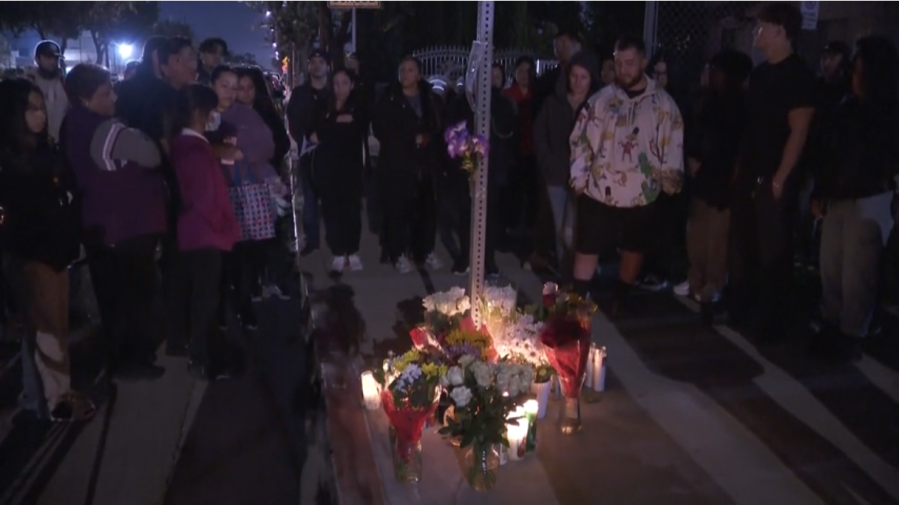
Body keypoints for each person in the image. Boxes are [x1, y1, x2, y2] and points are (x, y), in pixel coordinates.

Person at [63, 63, 167, 380]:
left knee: (115, 295)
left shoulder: (73, 124)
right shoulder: (106, 130)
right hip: (124, 224)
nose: (114, 99)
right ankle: (133, 358)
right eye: (105, 93)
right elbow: (151, 155)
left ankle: (122, 354)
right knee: (133, 295)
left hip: (105, 222)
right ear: (85, 98)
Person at [568, 36, 684, 313]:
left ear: (643, 62)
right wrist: (579, 180)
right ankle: (578, 299)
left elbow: (673, 143)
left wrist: (668, 183)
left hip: (642, 192)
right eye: (619, 63)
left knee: (634, 246)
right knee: (587, 245)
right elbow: (580, 141)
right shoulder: (600, 101)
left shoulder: (663, 105)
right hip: (599, 188)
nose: (623, 69)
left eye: (630, 63)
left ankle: (621, 296)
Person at [0, 78, 92, 421]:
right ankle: (58, 402)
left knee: (48, 327)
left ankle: (37, 396)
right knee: (47, 329)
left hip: (56, 250)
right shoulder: (9, 161)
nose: (41, 116)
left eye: (42, 108)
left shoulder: (44, 150)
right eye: (32, 109)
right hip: (30, 254)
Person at [729, 3, 815, 340]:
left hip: (774, 176)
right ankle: (741, 308)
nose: (756, 33)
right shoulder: (761, 73)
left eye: (762, 26)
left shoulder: (799, 75)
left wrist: (781, 176)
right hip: (751, 171)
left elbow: (800, 129)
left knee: (773, 249)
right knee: (743, 242)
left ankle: (771, 319)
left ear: (781, 31)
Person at [810, 35, 899, 363]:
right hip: (840, 196)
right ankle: (831, 323)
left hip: (870, 197)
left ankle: (851, 333)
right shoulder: (847, 106)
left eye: (859, 69)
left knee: (857, 271)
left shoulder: (887, 112)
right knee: (832, 264)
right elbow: (829, 152)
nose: (852, 74)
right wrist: (821, 190)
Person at [169, 84, 241, 379]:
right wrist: (220, 224)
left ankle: (203, 354)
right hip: (204, 233)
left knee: (202, 297)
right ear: (200, 114)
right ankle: (204, 358)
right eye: (212, 112)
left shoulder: (186, 145)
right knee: (206, 301)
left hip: (197, 232)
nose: (215, 117)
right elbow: (203, 198)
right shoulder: (194, 151)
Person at [372, 56, 445, 274]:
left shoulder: (429, 98)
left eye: (410, 70)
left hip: (424, 164)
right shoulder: (390, 98)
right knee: (397, 211)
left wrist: (428, 138)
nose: (405, 74)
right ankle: (399, 253)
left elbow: (438, 126)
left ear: (419, 74)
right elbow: (381, 128)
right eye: (402, 69)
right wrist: (408, 139)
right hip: (397, 163)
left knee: (425, 210)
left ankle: (424, 251)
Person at [533, 51, 601, 281]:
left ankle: (579, 275)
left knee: (574, 229)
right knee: (560, 229)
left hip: (586, 178)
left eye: (584, 77)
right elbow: (539, 134)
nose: (578, 82)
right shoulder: (553, 103)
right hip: (556, 175)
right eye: (574, 76)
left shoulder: (597, 106)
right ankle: (566, 274)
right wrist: (548, 162)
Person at [311, 68, 369, 275]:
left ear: (352, 84)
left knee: (352, 210)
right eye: (336, 83)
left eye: (345, 83)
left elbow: (356, 128)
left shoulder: (358, 105)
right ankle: (337, 251)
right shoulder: (323, 105)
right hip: (328, 166)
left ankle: (352, 251)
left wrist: (333, 127)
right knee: (331, 209)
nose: (340, 88)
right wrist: (336, 121)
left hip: (352, 166)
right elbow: (316, 134)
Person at [286, 49, 331, 257]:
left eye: (321, 62)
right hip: (308, 153)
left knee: (332, 200)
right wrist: (305, 137)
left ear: (327, 66)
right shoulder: (300, 94)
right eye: (313, 62)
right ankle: (312, 241)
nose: (316, 66)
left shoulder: (333, 92)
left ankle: (336, 242)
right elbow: (293, 120)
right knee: (310, 201)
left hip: (332, 155)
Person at [25, 40, 68, 143]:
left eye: (55, 58)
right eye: (48, 57)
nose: (53, 61)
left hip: (61, 143)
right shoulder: (28, 82)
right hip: (35, 143)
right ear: (37, 59)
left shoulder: (64, 82)